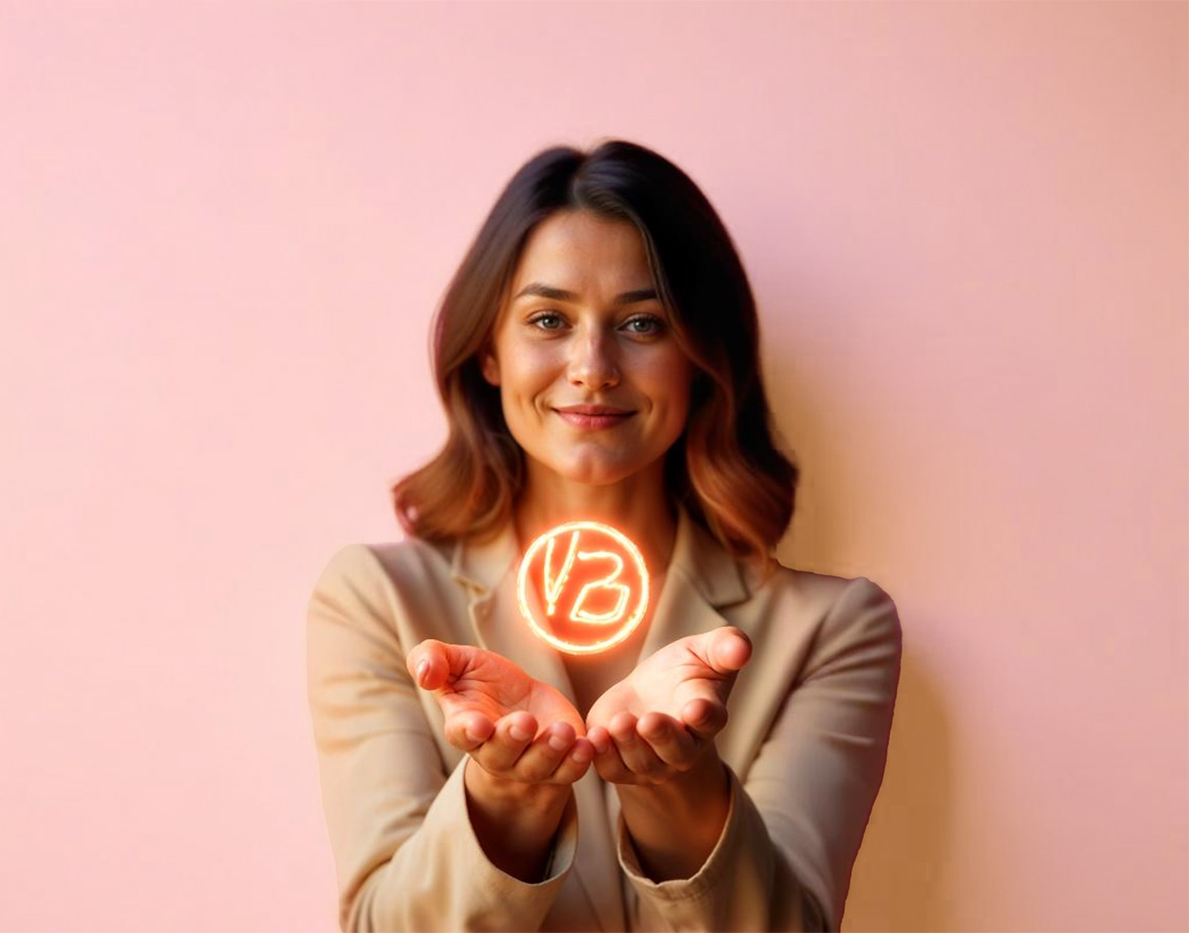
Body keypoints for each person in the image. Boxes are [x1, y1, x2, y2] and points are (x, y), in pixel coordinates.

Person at [305, 139, 903, 933]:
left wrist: (678, 788)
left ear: (701, 357)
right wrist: (505, 796)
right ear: (488, 349)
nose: (593, 366)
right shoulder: (378, 604)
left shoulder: (832, 630)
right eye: (549, 318)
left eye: (643, 322)